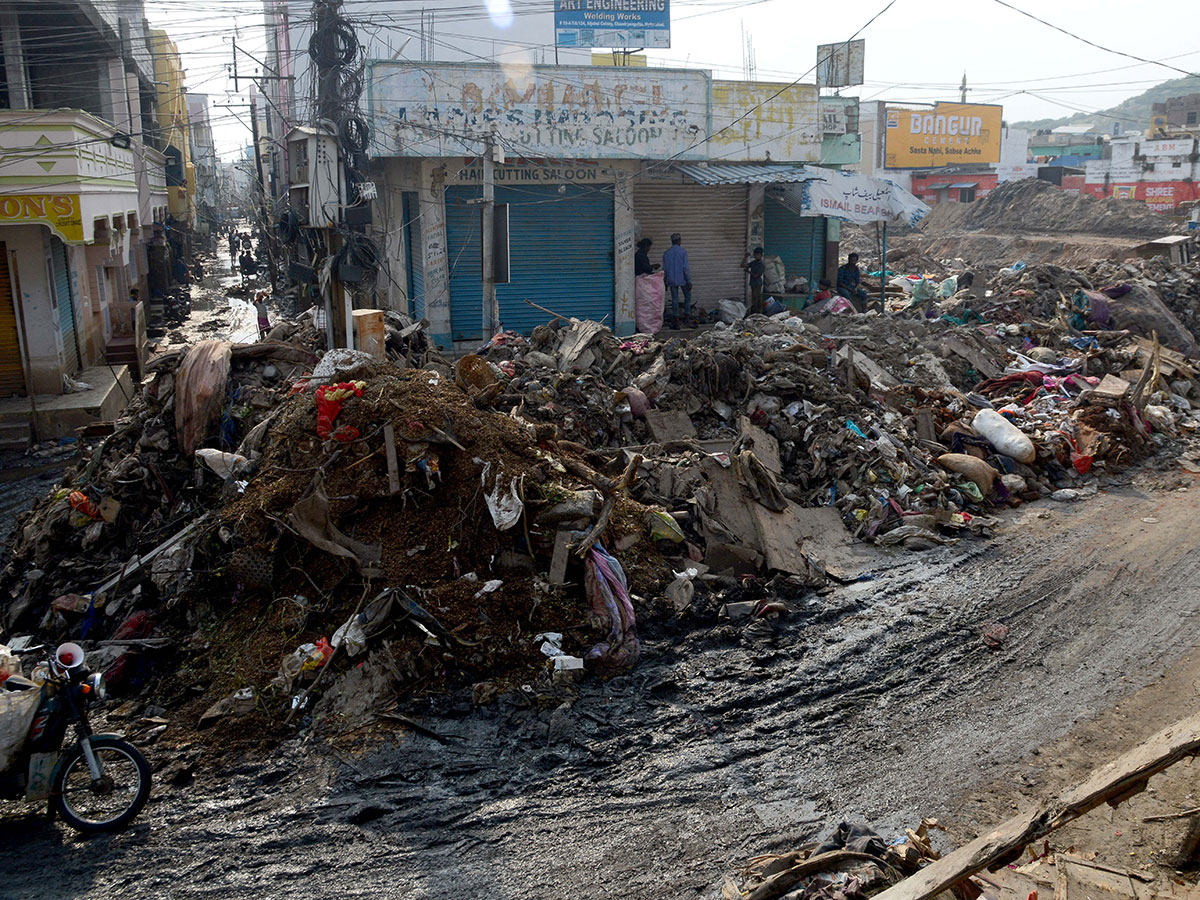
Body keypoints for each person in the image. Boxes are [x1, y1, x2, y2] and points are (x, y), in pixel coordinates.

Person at [661, 233, 691, 328]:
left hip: (671, 280)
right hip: (683, 279)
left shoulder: (667, 253)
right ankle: (687, 318)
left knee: (675, 299)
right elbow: (685, 268)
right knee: (687, 297)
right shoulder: (683, 252)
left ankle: (676, 320)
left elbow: (664, 269)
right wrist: (689, 280)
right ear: (679, 241)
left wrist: (664, 281)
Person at [742, 246, 765, 315]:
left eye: (757, 255)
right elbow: (742, 265)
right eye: (755, 255)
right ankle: (755, 313)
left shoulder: (761, 264)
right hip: (753, 283)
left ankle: (758, 313)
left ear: (761, 255)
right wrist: (745, 257)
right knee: (754, 298)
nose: (756, 256)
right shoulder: (754, 263)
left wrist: (749, 272)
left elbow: (756, 275)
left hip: (757, 284)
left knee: (757, 299)